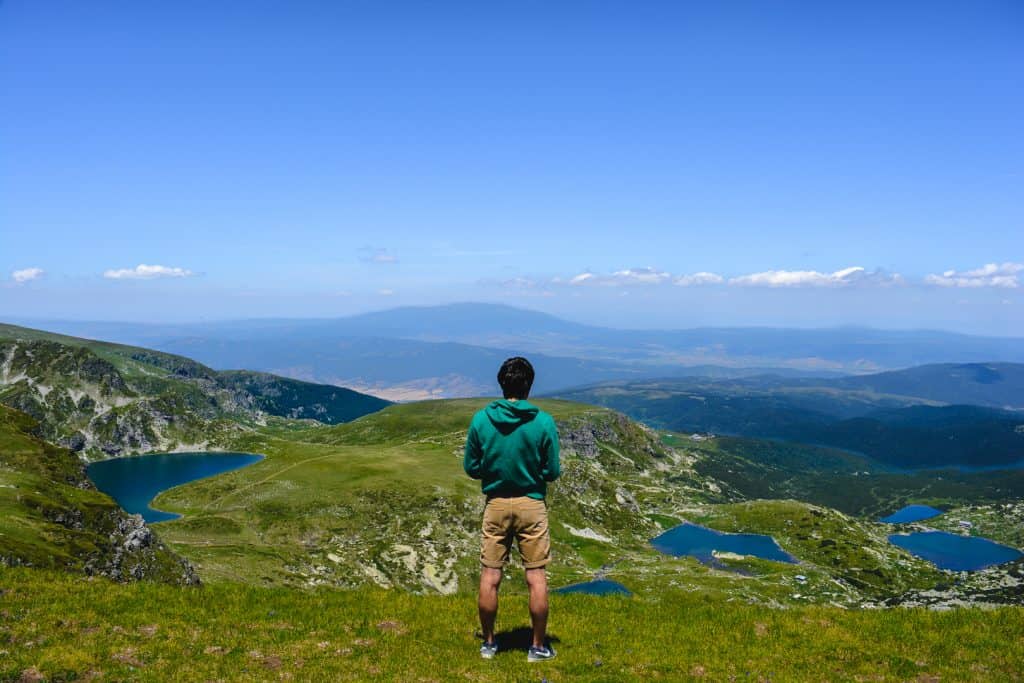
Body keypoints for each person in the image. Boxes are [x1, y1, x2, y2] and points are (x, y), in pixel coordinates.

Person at [463, 356, 561, 662]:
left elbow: (471, 467)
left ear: (502, 383)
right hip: (531, 505)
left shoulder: (481, 420)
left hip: (496, 504)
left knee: (491, 574)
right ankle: (537, 646)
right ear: (529, 385)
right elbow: (553, 470)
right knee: (536, 576)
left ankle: (490, 643)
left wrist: (493, 471)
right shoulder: (543, 422)